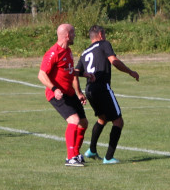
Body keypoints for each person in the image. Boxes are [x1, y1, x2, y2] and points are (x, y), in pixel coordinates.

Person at [78, 25, 139, 164]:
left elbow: (76, 72)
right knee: (118, 121)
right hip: (102, 87)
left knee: (102, 118)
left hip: (89, 89)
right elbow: (114, 61)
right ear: (100, 34)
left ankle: (92, 150)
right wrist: (130, 71)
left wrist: (79, 92)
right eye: (104, 34)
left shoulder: (84, 52)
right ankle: (109, 157)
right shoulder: (104, 44)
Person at [37, 23, 91, 167]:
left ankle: (77, 154)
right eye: (73, 33)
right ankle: (70, 157)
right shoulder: (53, 53)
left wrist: (80, 89)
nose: (74, 36)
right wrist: (54, 88)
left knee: (83, 123)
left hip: (69, 92)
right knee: (73, 120)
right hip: (57, 94)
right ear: (67, 35)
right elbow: (41, 75)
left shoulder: (68, 51)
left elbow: (70, 71)